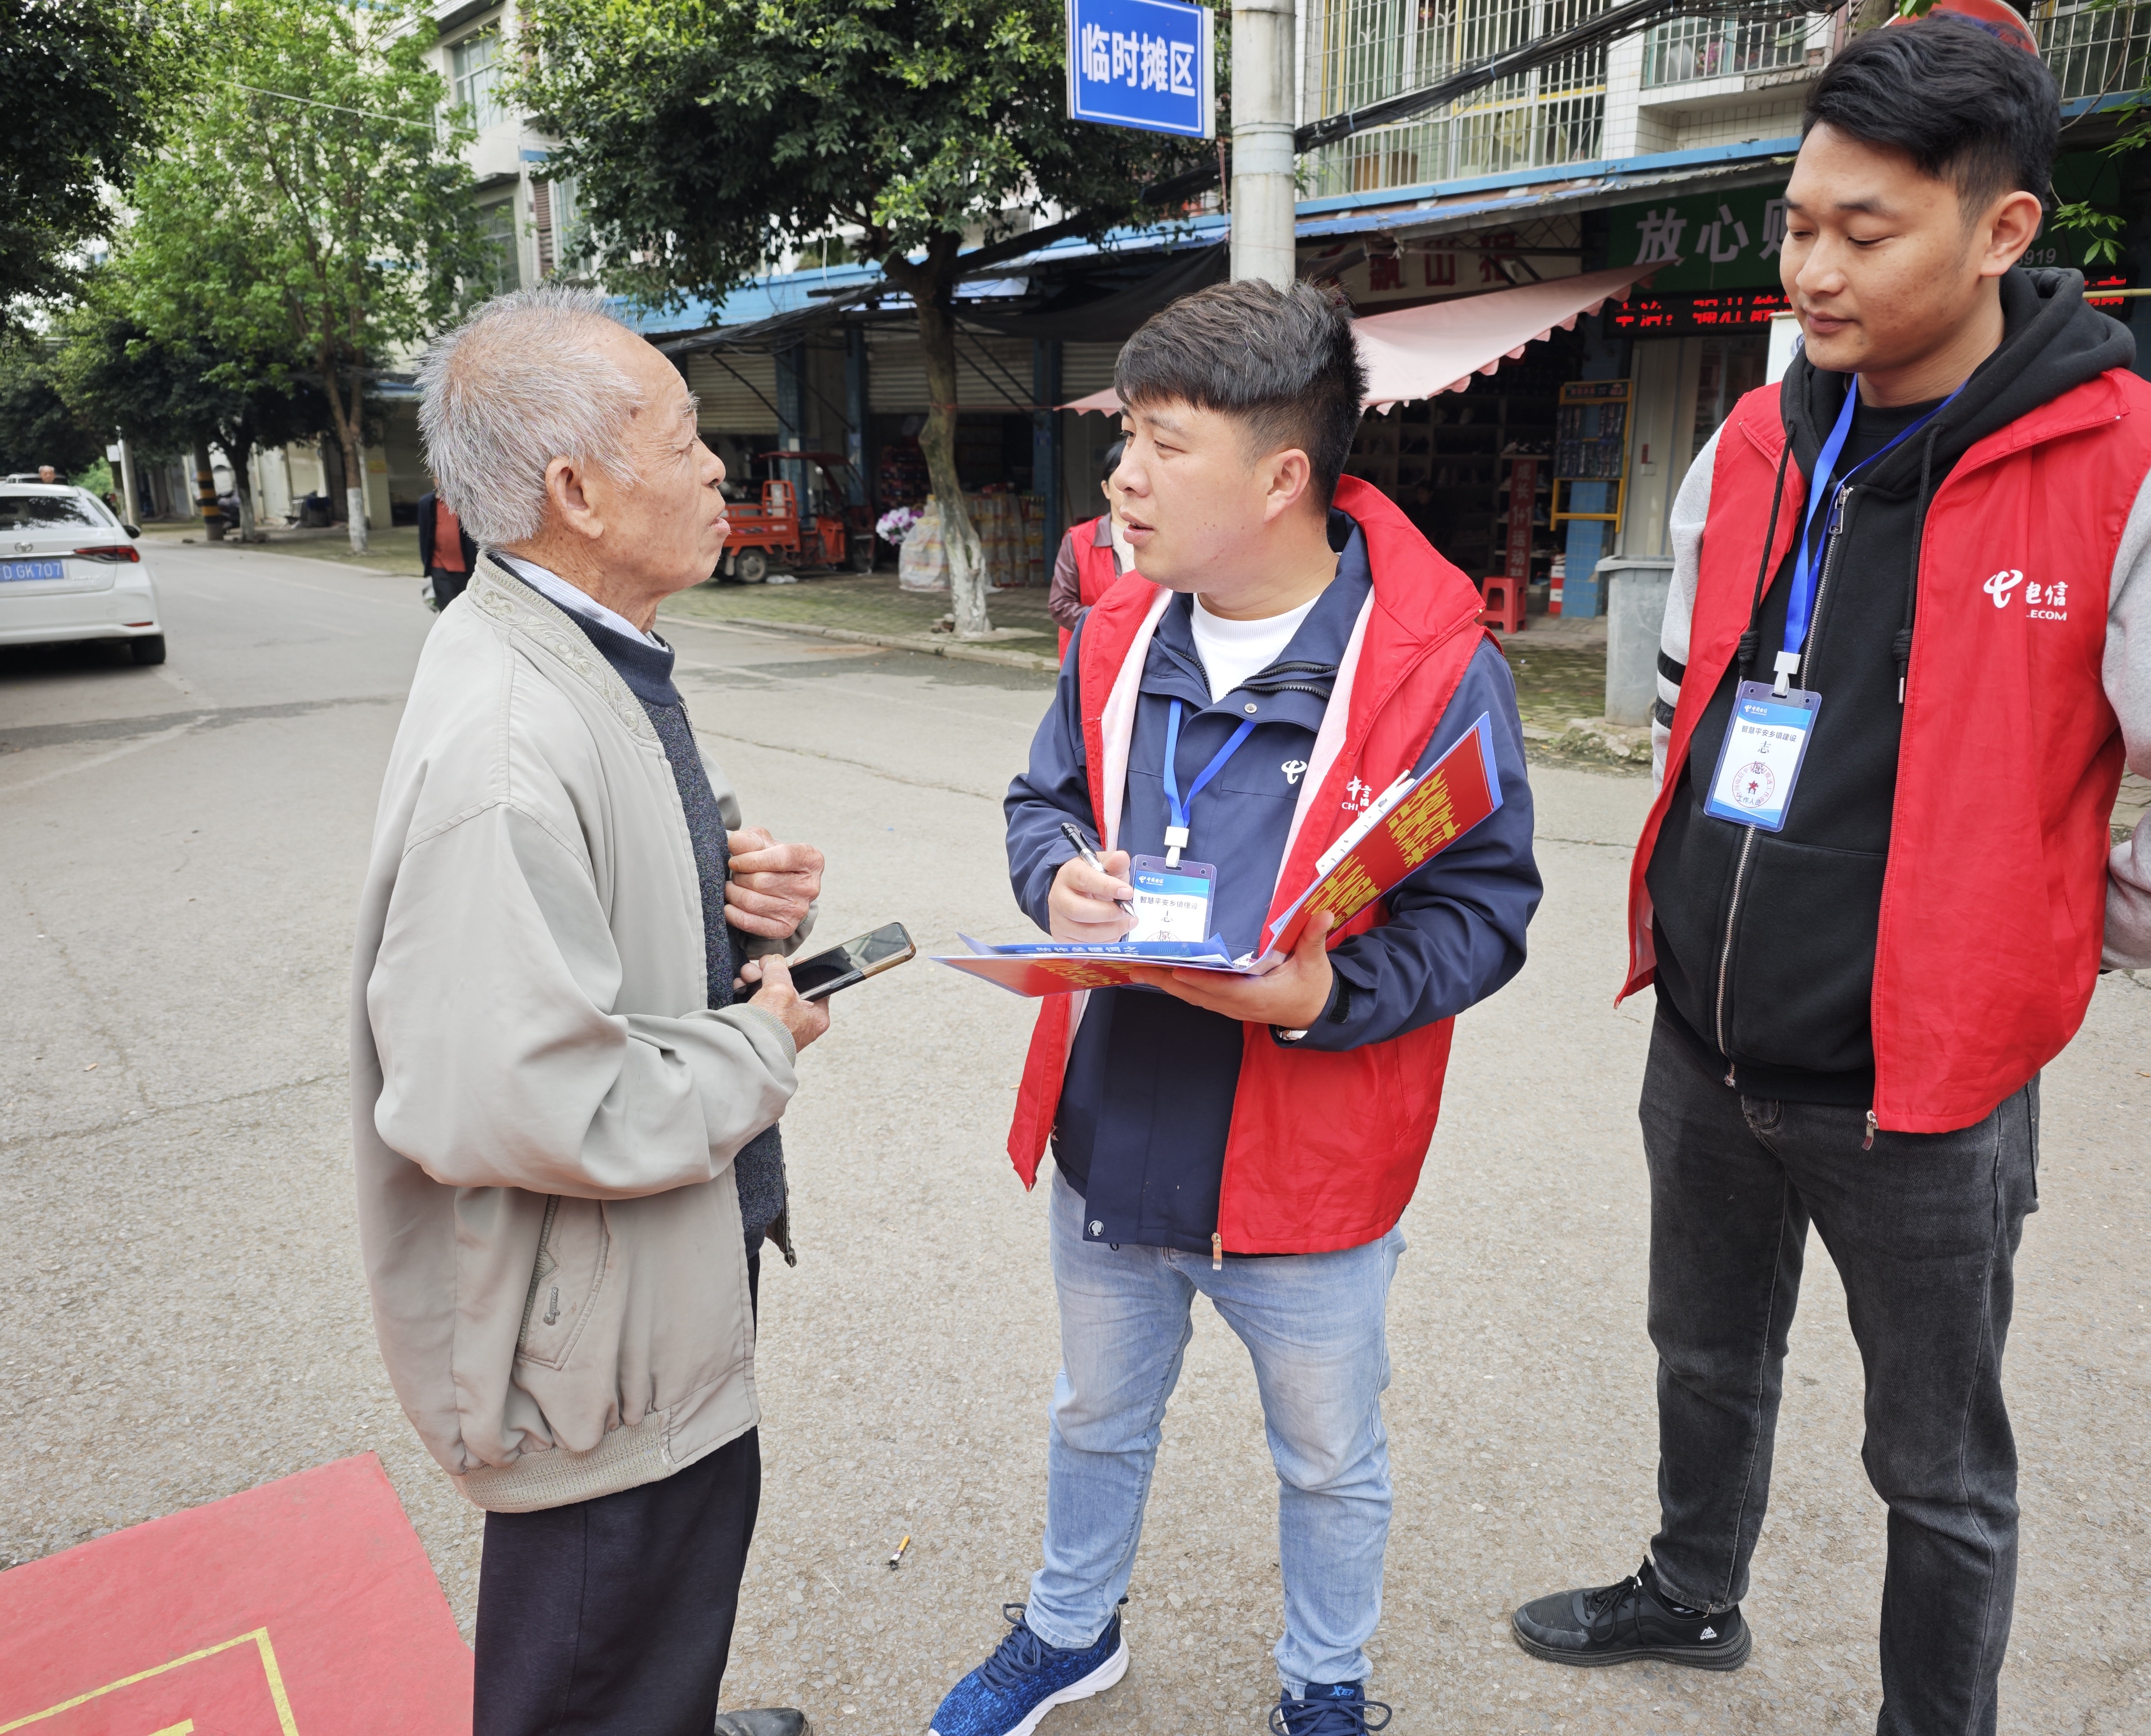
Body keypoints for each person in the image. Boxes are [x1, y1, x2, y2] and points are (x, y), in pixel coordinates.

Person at [1512, 18, 2151, 1735]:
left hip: (1926, 1090)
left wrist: (2059, 935)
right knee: (1704, 1355)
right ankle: (1691, 1590)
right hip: (1710, 1040)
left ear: (2002, 229)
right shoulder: (1760, 437)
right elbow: (1693, 690)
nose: (1812, 268)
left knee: (1936, 1460)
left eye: (1863, 233)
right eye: (1800, 222)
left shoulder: (2136, 463)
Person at [933, 280, 1542, 1736]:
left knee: (1327, 1455)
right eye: (1124, 440)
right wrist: (1056, 874)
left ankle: (1324, 1679)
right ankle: (1068, 1630)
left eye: (1163, 445)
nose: (1121, 479)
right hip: (1117, 1126)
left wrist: (1333, 989)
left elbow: (1484, 908)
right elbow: (1041, 800)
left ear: (1281, 477)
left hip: (1308, 1160)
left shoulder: (1431, 668)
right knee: (1095, 1414)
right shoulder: (1114, 632)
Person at [352, 287, 836, 1736]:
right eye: (684, 440)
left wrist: (731, 899)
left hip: (655, 1270)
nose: (718, 469)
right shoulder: (514, 734)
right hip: (593, 1329)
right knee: (598, 1655)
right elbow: (514, 1094)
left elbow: (594, 925)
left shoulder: (580, 643)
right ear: (575, 491)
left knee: (659, 1625)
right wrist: (763, 1042)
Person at [1046, 438, 1132, 659]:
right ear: (1106, 489)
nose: (1130, 486)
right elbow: (1060, 605)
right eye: (1121, 478)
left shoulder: (1167, 538)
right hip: (1093, 656)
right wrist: (1112, 621)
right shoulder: (1079, 540)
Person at [417, 484, 478, 610]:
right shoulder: (427, 503)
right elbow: (424, 535)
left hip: (468, 567)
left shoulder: (470, 503)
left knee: (468, 610)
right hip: (439, 566)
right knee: (448, 609)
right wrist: (428, 563)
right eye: (437, 477)